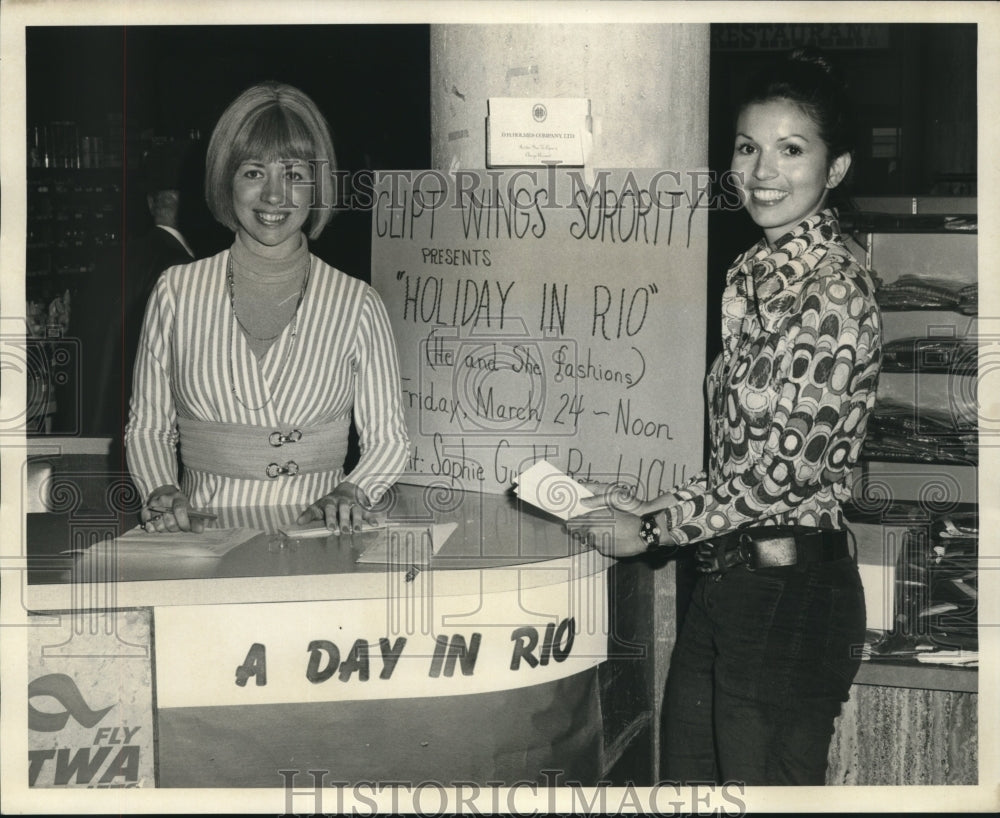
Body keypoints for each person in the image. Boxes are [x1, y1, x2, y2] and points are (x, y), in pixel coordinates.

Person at [567, 49, 882, 786]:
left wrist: (650, 529)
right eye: (748, 147)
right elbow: (743, 459)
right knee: (689, 790)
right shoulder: (753, 272)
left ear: (835, 169)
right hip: (731, 587)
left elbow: (780, 475)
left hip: (791, 598)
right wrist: (653, 504)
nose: (762, 170)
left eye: (791, 149)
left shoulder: (832, 288)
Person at [126, 81, 410, 534]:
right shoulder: (175, 292)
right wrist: (161, 489)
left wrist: (352, 491)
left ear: (317, 185)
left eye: (295, 174)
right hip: (201, 548)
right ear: (226, 180)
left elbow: (389, 441)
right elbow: (148, 428)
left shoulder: (357, 303)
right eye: (254, 172)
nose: (275, 196)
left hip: (320, 546)